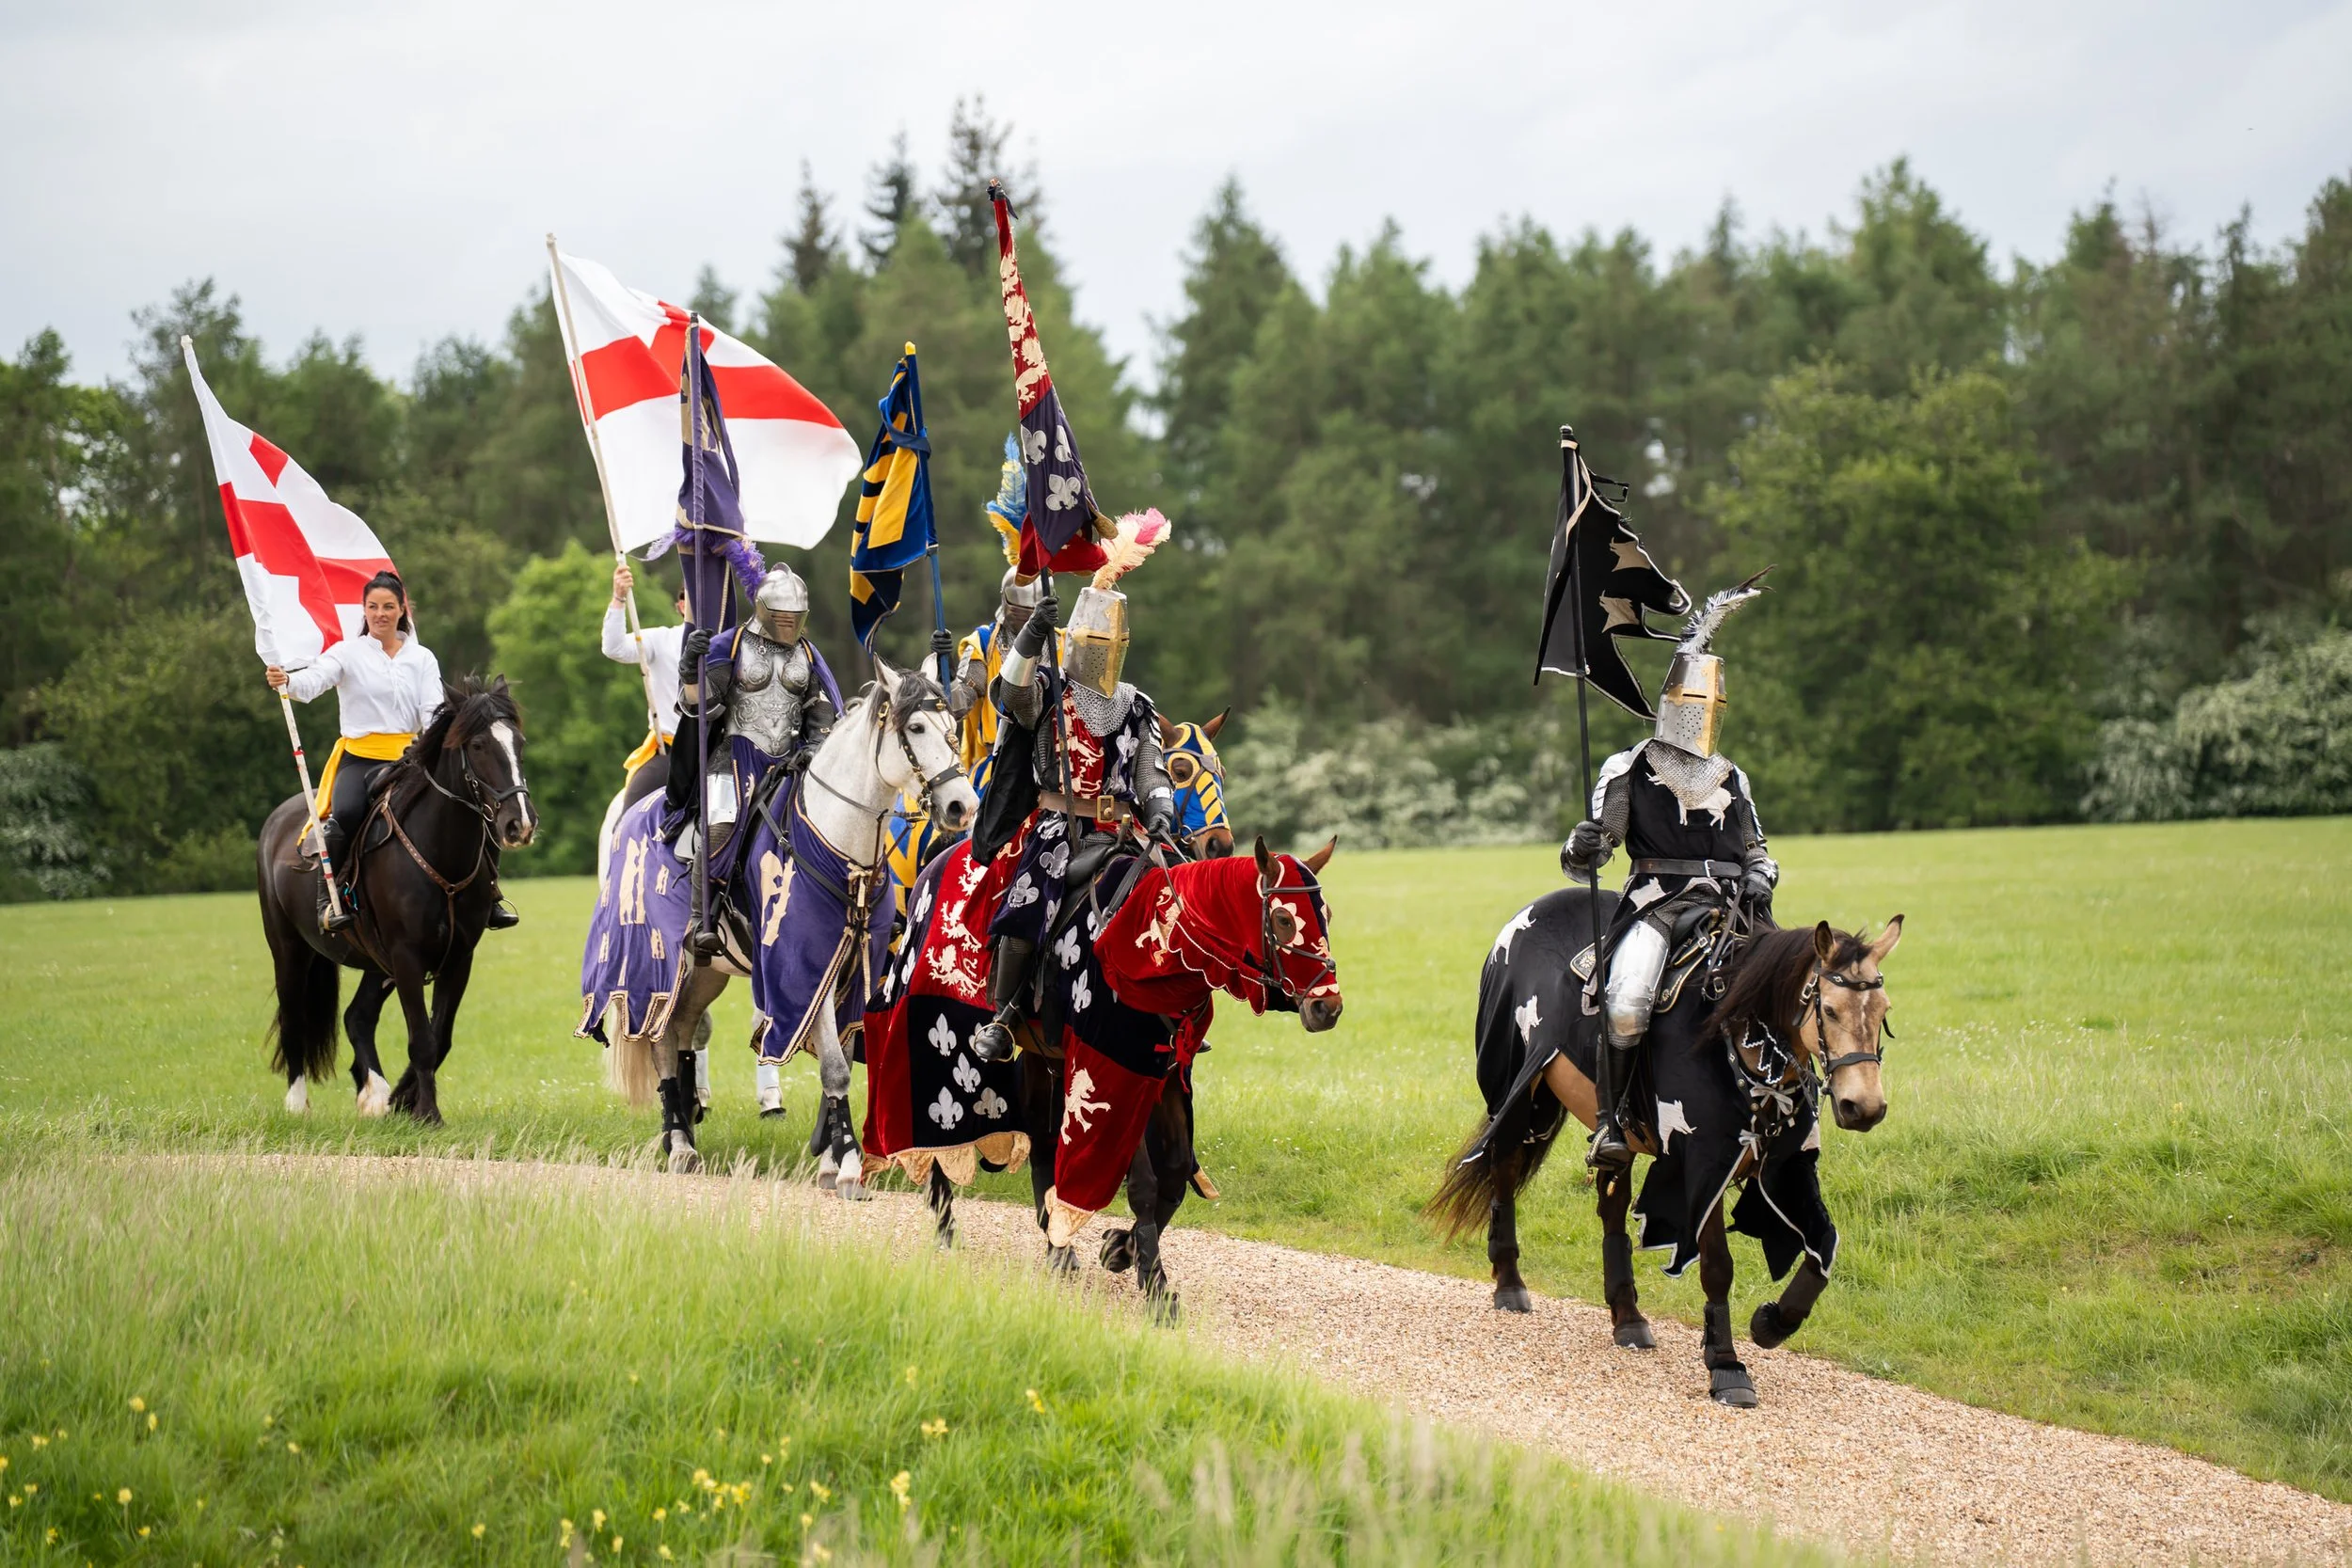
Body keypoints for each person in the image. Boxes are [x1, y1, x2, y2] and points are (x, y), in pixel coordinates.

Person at [1559, 578, 1776, 1170]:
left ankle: (1787, 1107)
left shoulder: (1731, 774)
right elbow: (1592, 856)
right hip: (1659, 904)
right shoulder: (1628, 768)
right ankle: (1612, 1122)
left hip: (1733, 909)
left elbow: (1756, 846)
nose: (1700, 714)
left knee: (1794, 989)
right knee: (1627, 1001)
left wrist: (1762, 875)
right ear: (1670, 703)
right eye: (1693, 703)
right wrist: (1581, 844)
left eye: (1710, 705)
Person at [967, 571, 1177, 1064]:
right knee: (1029, 899)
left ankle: (1175, 1007)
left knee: (1177, 888)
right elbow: (1008, 695)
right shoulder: (1047, 689)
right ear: (1079, 640)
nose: (1104, 654)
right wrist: (1033, 633)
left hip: (1126, 827)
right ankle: (1004, 1016)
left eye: (1113, 644)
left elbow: (1152, 767)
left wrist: (1163, 810)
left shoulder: (1135, 703)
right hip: (1060, 827)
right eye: (1097, 643)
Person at [267, 571, 519, 934]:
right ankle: (330, 899)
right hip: (361, 756)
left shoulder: (421, 658)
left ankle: (490, 894)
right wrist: (288, 681)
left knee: (473, 806)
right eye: (372, 606)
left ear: (403, 610)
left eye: (388, 606)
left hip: (409, 757)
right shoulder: (346, 653)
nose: (380, 613)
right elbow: (315, 680)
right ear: (364, 610)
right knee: (348, 813)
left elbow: (432, 712)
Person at [661, 562, 838, 909]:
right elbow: (701, 707)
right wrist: (690, 671)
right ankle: (701, 919)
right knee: (720, 829)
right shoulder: (732, 645)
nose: (789, 622)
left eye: (796, 615)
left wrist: (817, 744)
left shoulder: (806, 654)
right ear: (763, 608)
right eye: (781, 613)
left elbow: (821, 709)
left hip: (792, 761)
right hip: (735, 757)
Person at [604, 561, 687, 804]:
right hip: (671, 754)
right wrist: (619, 598)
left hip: (722, 758)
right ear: (681, 605)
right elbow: (614, 647)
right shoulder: (662, 640)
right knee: (629, 819)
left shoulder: (733, 645)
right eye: (693, 594)